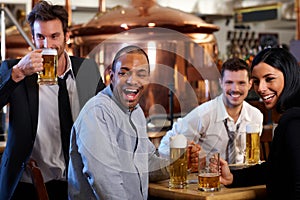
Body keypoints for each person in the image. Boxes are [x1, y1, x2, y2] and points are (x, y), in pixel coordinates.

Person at [0, 1, 105, 199]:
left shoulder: (87, 70)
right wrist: (18, 73)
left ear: (67, 36)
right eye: (40, 37)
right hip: (26, 186)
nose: (47, 45)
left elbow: (106, 116)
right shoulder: (14, 69)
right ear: (32, 38)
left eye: (54, 36)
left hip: (77, 184)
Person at [68, 45, 173, 199]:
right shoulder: (97, 112)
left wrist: (178, 164)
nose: (132, 81)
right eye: (124, 73)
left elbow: (147, 163)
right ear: (112, 76)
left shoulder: (136, 112)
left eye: (141, 74)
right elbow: (104, 180)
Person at [220, 47, 300, 199]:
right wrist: (233, 177)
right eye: (256, 81)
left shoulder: (293, 120)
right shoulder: (289, 116)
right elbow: (275, 169)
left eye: (269, 79)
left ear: (288, 76)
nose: (261, 88)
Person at [158, 58, 263, 164]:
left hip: (243, 177)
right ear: (221, 83)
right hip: (210, 178)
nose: (235, 88)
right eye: (229, 82)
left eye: (241, 83)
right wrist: (187, 157)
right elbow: (164, 146)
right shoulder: (203, 114)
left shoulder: (256, 116)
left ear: (250, 84)